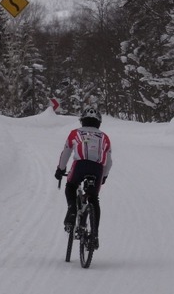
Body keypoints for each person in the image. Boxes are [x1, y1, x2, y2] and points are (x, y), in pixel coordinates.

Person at [54, 106, 112, 249]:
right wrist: (104, 176)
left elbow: (66, 153)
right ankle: (94, 236)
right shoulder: (104, 137)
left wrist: (60, 170)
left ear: (82, 121)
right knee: (94, 199)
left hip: (80, 165)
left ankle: (72, 210)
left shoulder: (74, 133)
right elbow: (109, 161)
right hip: (97, 168)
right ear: (99, 122)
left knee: (71, 187)